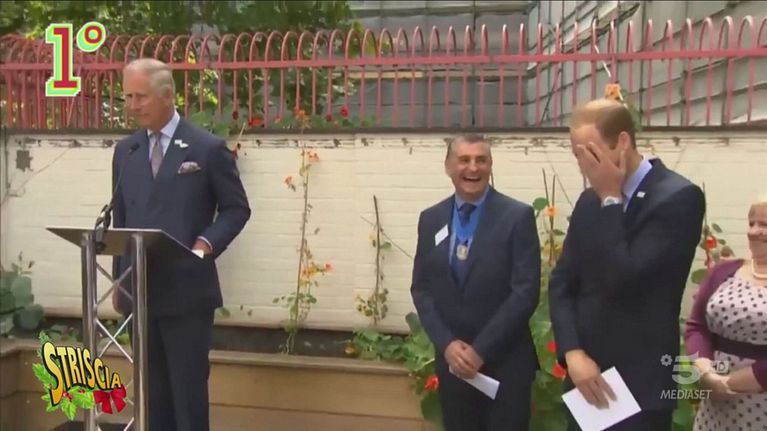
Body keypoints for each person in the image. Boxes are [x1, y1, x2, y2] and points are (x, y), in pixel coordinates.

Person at [548, 98, 706, 430]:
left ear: (622, 142)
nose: (583, 165)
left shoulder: (677, 197)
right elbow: (563, 282)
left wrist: (610, 199)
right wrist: (572, 353)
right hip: (585, 379)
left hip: (639, 384)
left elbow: (626, 279)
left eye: (591, 153)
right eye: (577, 154)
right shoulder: (589, 200)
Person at [110, 58, 251, 431]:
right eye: (128, 97)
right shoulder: (126, 151)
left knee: (187, 397)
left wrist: (205, 243)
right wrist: (119, 279)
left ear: (168, 95)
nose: (133, 105)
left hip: (186, 293)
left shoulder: (206, 148)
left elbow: (236, 209)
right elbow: (121, 218)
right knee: (151, 397)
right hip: (140, 293)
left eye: (141, 96)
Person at [410, 134, 541, 431]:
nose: (473, 168)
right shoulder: (431, 219)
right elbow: (422, 288)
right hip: (454, 367)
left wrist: (480, 350)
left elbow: (525, 292)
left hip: (505, 366)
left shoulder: (517, 217)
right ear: (448, 167)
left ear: (490, 166)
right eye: (464, 160)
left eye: (481, 160)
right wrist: (447, 344)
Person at [685, 196, 767, 430]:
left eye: (764, 224)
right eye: (751, 223)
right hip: (716, 406)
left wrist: (730, 383)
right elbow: (696, 326)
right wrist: (707, 374)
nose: (753, 231)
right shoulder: (724, 271)